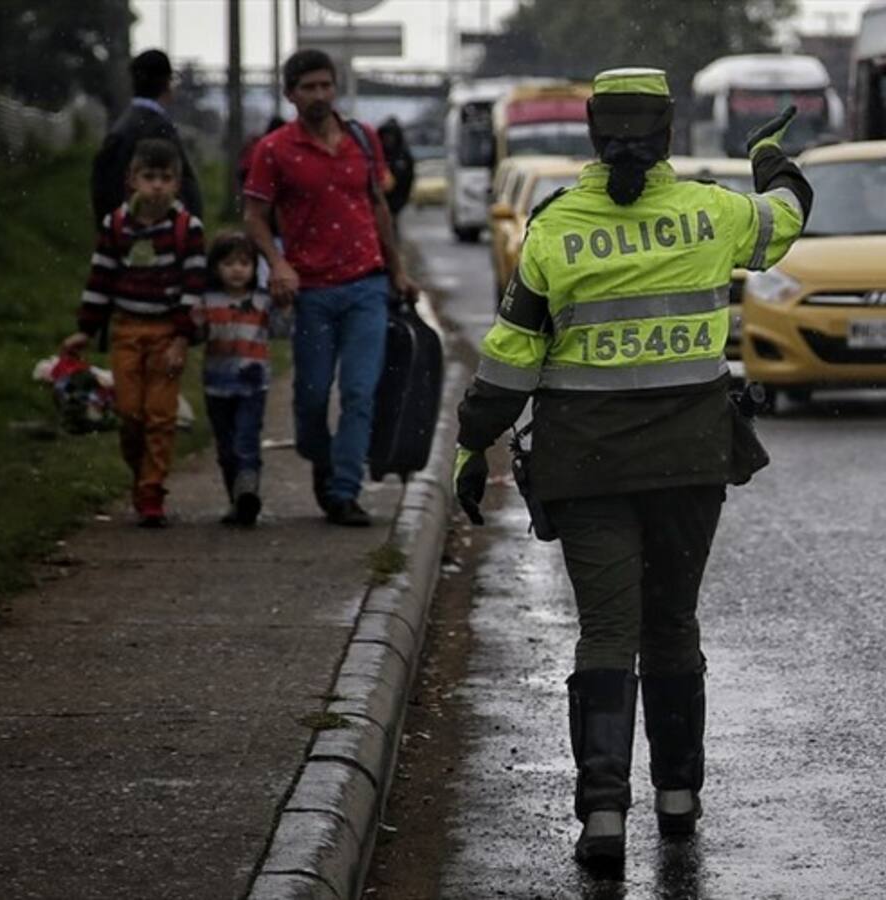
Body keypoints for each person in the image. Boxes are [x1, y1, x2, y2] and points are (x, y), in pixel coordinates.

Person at [452, 69, 813, 871]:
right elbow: (787, 218)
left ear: (590, 132)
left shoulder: (553, 232)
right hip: (690, 464)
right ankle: (678, 799)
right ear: (668, 134)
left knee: (607, 630)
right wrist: (768, 158)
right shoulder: (711, 215)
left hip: (587, 469)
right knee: (673, 623)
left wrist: (471, 445)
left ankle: (604, 818)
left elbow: (510, 361)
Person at [243, 48, 417, 528]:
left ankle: (345, 491)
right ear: (290, 94)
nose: (319, 95)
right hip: (312, 292)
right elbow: (254, 216)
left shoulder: (361, 138)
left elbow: (379, 206)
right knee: (314, 396)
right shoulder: (274, 150)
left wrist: (398, 271)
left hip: (367, 285)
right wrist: (277, 263)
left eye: (325, 85)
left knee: (360, 391)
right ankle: (322, 460)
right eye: (308, 88)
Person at [62, 138, 207, 527]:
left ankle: (151, 491)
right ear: (132, 180)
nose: (157, 186)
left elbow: (193, 289)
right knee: (129, 414)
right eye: (149, 177)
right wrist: (85, 331)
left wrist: (181, 340)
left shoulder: (186, 228)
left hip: (166, 335)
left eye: (166, 178)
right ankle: (140, 474)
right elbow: (101, 278)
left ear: (177, 183)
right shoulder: (116, 225)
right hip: (127, 330)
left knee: (160, 416)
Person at [194, 231, 274, 527]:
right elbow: (196, 335)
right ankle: (236, 499)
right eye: (228, 263)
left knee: (246, 440)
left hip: (253, 384)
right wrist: (196, 325)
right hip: (217, 383)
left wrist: (287, 304)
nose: (237, 269)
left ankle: (247, 492)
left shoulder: (263, 301)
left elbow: (281, 328)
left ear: (255, 268)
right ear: (215, 267)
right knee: (226, 446)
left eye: (244, 263)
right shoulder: (207, 301)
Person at [91, 48, 203, 226]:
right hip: (161, 238)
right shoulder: (159, 129)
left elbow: (104, 192)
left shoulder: (121, 129)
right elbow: (186, 188)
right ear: (167, 83)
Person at [377, 117, 416, 231]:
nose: (388, 140)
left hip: (396, 200)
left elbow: (409, 178)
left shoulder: (403, 156)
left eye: (391, 136)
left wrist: (401, 201)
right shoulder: (376, 155)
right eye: (385, 136)